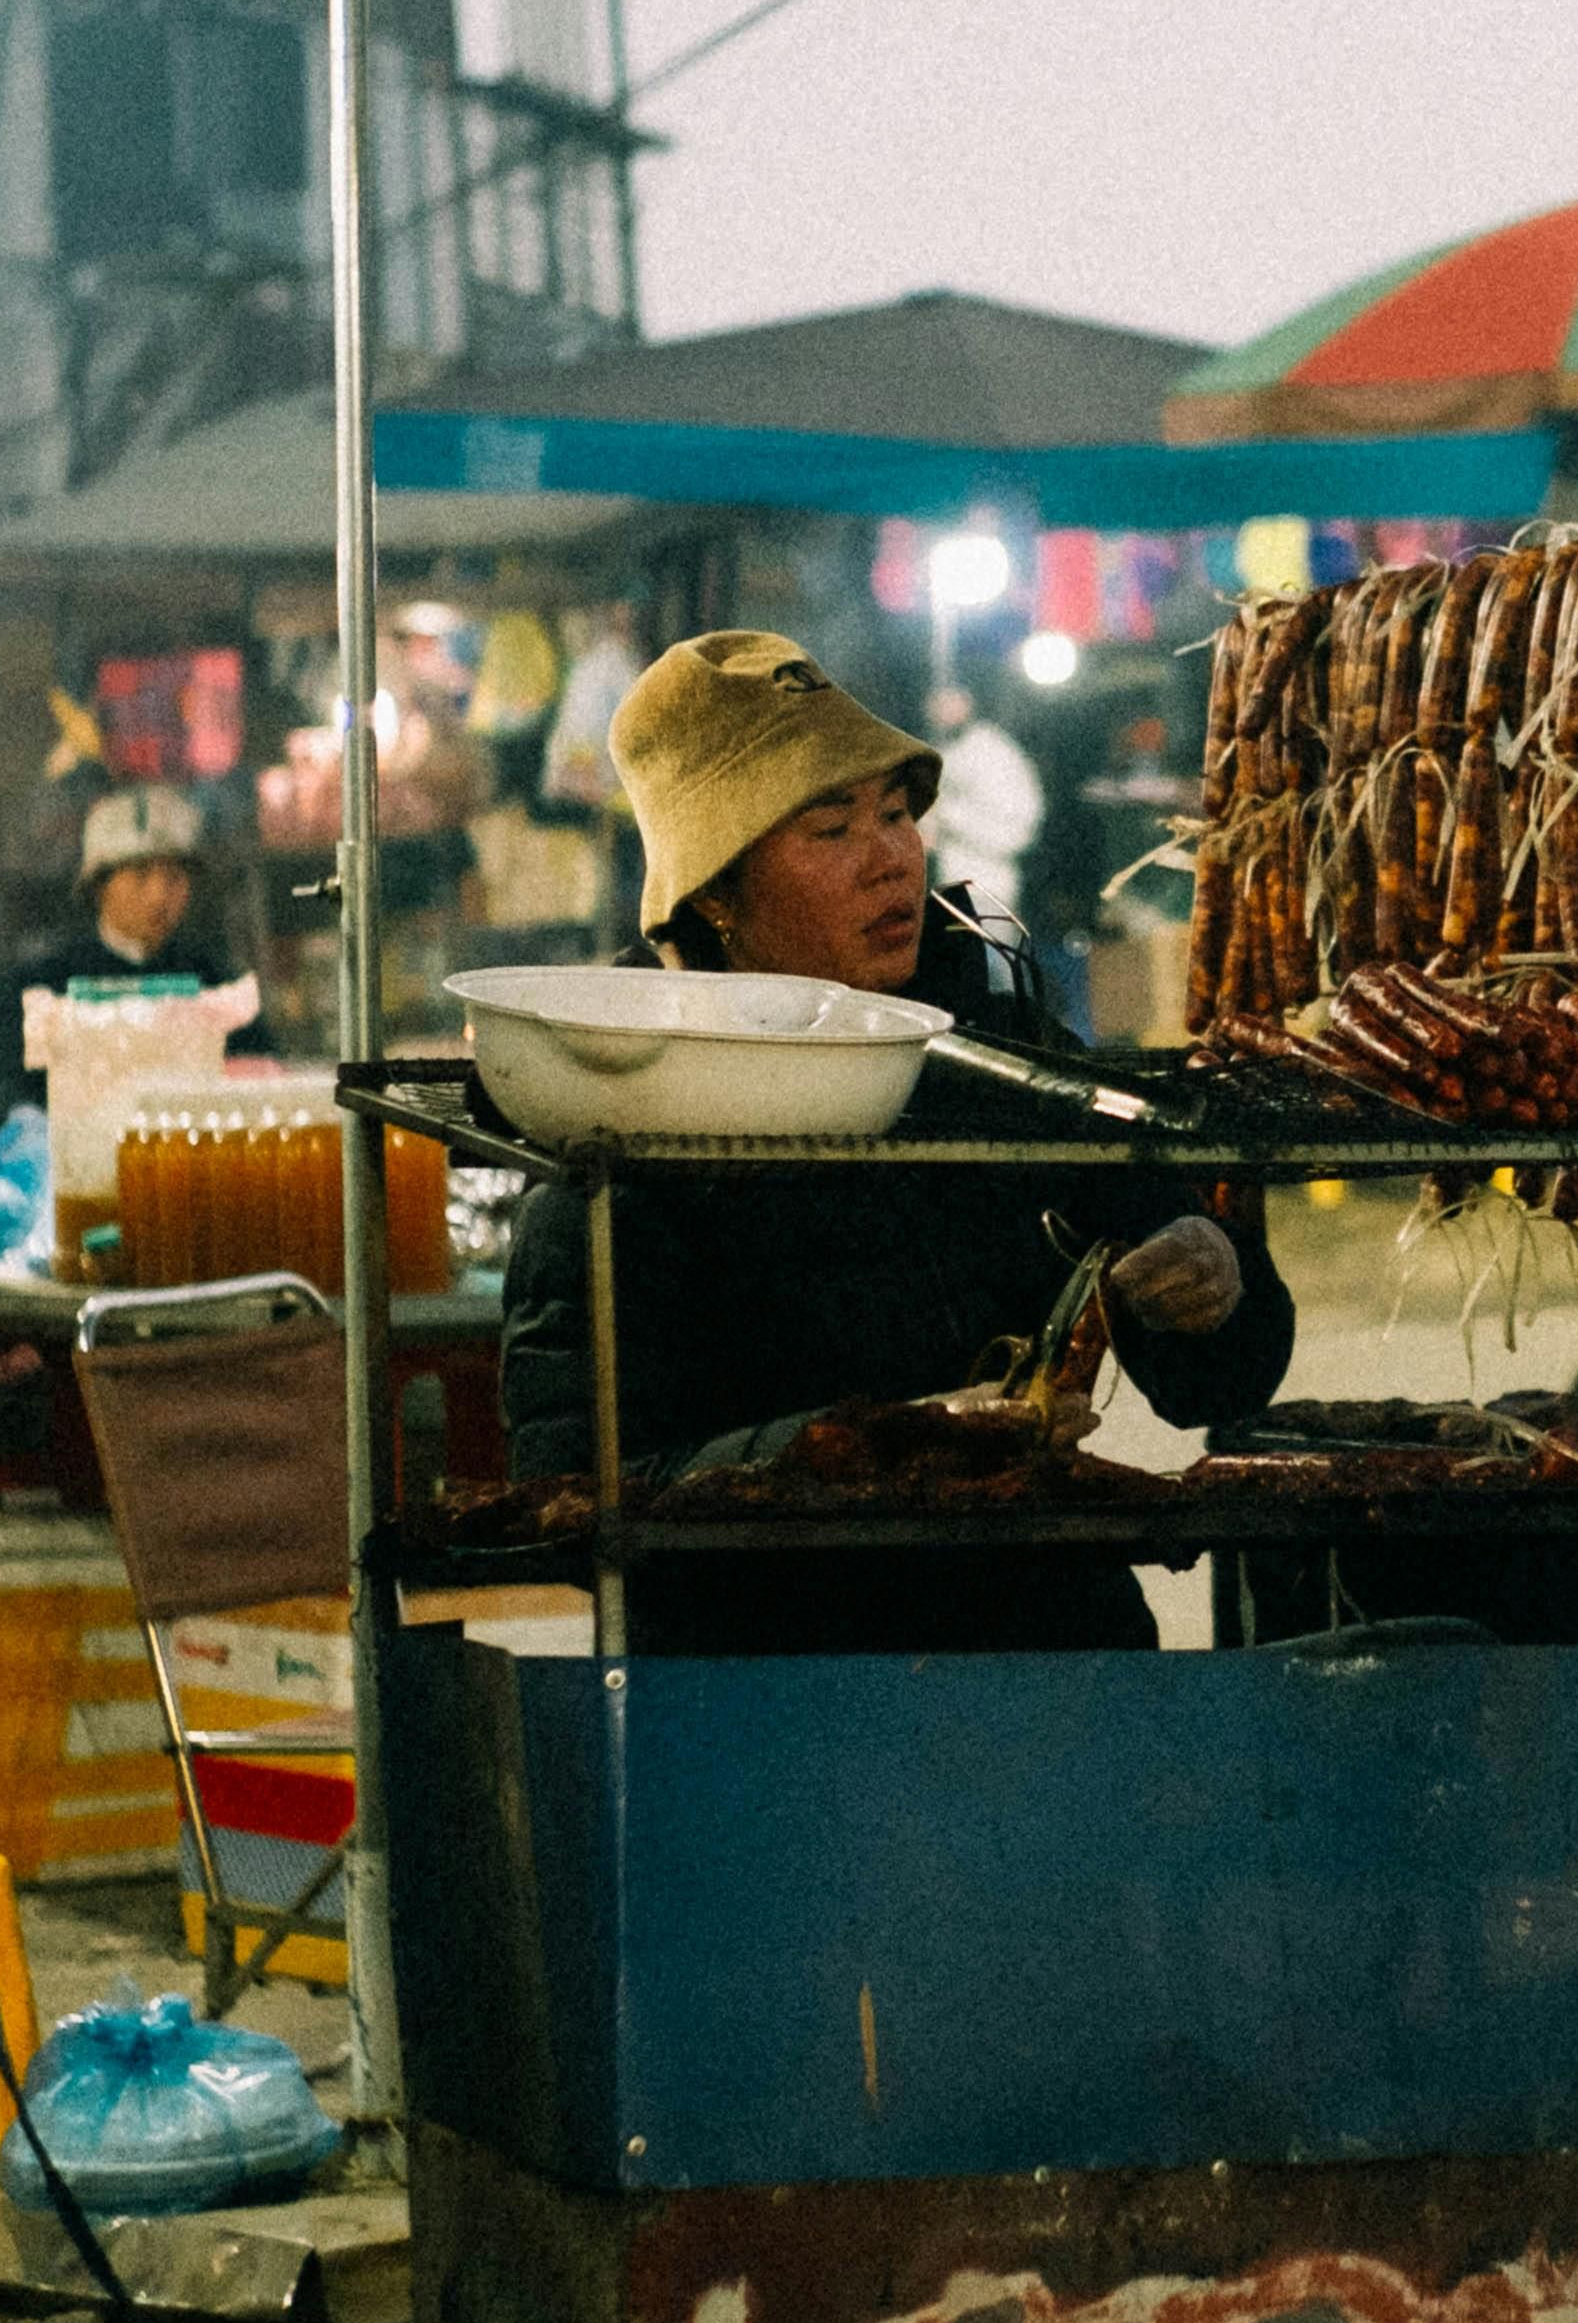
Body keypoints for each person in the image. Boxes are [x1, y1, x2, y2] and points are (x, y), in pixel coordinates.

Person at [502, 631, 1293, 1653]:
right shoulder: (619, 1112)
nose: (891, 859)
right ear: (713, 891)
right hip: (780, 1717)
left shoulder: (999, 1059)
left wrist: (1216, 1283)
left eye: (894, 814)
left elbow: (1212, 1385)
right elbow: (572, 1502)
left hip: (1062, 1664)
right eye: (831, 829)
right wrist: (886, 1445)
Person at [0, 784, 263, 1126]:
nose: (159, 896)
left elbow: (261, 1079)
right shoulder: (38, 988)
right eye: (140, 875)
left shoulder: (218, 989)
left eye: (173, 877)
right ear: (99, 885)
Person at [918, 681, 1045, 932]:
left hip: (986, 891)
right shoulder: (943, 750)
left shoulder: (994, 753)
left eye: (949, 698)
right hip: (947, 892)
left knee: (991, 968)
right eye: (933, 700)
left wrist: (946, 815)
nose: (937, 707)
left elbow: (1017, 832)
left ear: (967, 700)